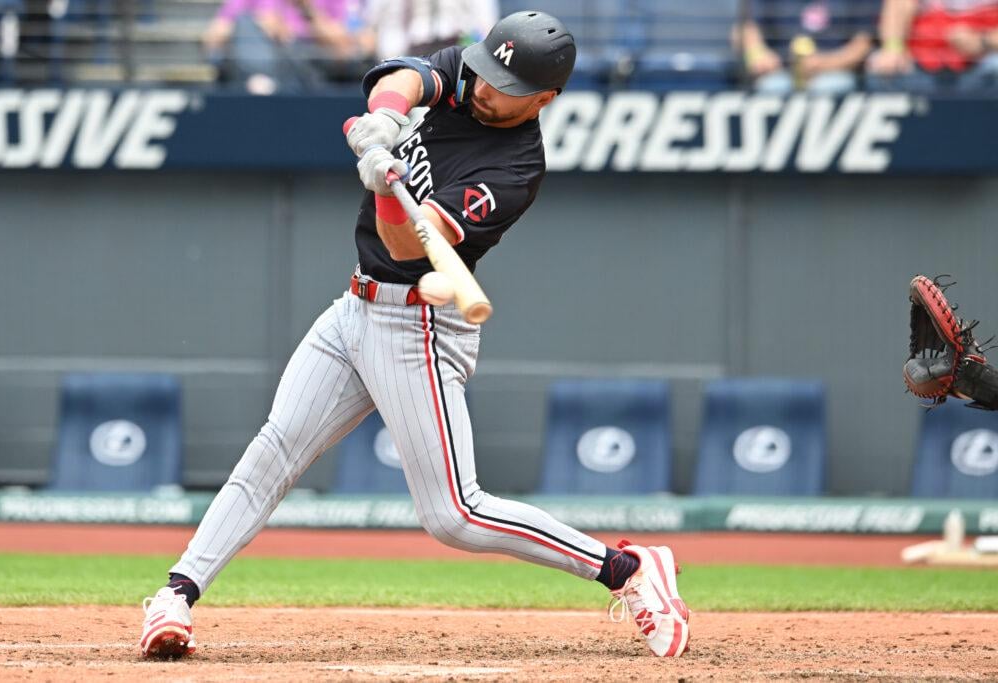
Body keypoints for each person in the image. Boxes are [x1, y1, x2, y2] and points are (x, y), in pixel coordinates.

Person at [138, 10, 692, 661]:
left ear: (545, 98)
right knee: (276, 447)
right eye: (487, 74)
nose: (486, 90)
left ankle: (627, 569)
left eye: (507, 87)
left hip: (419, 323)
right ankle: (177, 592)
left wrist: (385, 188)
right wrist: (387, 121)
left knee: (454, 513)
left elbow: (408, 243)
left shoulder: (514, 170)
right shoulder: (472, 74)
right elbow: (403, 78)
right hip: (355, 306)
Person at [202, 0, 360, 93]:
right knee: (245, 23)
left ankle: (266, 84)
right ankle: (263, 82)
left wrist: (307, 10)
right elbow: (213, 38)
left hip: (309, 67)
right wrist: (259, 23)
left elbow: (344, 48)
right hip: (264, 60)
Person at [739, 0, 878, 94]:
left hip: (836, 71)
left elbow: (863, 43)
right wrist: (758, 53)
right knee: (772, 87)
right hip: (782, 70)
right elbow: (748, 27)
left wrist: (824, 63)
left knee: (831, 86)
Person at [867, 0, 998, 90]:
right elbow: (898, 4)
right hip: (922, 58)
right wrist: (893, 48)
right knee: (881, 66)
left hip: (983, 59)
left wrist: (983, 41)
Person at [360, 0, 498, 61]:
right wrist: (394, 60)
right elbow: (374, 22)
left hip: (457, 49)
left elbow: (485, 22)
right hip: (408, 51)